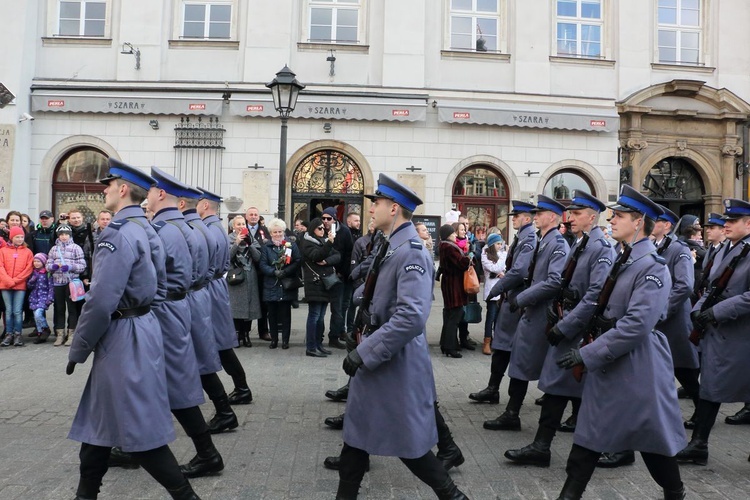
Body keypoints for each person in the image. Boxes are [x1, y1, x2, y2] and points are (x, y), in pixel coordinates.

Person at [67, 158, 200, 499]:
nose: (105, 190)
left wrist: (79, 347)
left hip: (122, 337)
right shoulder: (145, 227)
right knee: (98, 428)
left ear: (122, 189)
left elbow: (100, 301)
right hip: (139, 329)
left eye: (108, 185)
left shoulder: (119, 234)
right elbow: (163, 284)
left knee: (140, 433)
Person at [336, 173, 467, 499]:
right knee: (355, 438)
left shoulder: (410, 251)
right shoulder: (391, 244)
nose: (370, 209)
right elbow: (382, 293)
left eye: (376, 203)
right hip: (379, 355)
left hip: (394, 361)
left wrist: (366, 352)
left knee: (410, 445)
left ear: (393, 208)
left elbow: (411, 317)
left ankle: (453, 495)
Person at [554, 184, 686, 500]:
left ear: (639, 221)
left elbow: (636, 326)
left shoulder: (652, 268)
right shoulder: (624, 258)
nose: (611, 220)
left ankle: (675, 493)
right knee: (588, 438)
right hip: (612, 362)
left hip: (638, 367)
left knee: (654, 443)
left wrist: (588, 354)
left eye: (620, 215)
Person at [504, 190, 614, 467]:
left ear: (592, 217)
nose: (570, 218)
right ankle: (542, 446)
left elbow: (594, 296)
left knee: (585, 389)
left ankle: (616, 445)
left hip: (580, 329)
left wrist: (565, 326)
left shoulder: (601, 249)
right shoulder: (581, 243)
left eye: (576, 214)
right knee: (557, 386)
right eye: (570, 213)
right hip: (568, 324)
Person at [139, 167, 224, 478]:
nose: (145, 198)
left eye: (149, 191)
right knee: (155, 381)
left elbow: (157, 278)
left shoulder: (165, 231)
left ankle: (207, 452)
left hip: (166, 310)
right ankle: (132, 443)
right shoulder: (182, 228)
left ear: (161, 194)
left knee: (173, 383)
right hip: (177, 305)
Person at [676, 198, 750, 466]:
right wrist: (698, 310)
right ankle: (698, 444)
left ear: (749, 223)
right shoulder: (722, 250)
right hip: (717, 332)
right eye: (726, 221)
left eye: (732, 221)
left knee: (726, 386)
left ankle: (698, 444)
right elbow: (709, 286)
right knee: (710, 386)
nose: (726, 225)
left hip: (740, 332)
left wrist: (716, 312)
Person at [492, 195, 569, 430]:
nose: (536, 217)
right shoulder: (544, 240)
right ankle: (511, 413)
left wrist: (522, 298)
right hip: (532, 312)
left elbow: (554, 281)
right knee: (520, 361)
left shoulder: (557, 243)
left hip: (542, 313)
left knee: (532, 362)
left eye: (540, 214)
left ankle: (515, 414)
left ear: (552, 217)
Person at [469, 200, 536, 408]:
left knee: (513, 350)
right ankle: (492, 388)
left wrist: (498, 289)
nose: (513, 219)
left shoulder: (529, 238)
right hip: (512, 298)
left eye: (516, 216)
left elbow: (519, 271)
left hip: (518, 299)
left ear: (526, 218)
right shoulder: (522, 237)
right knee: (501, 346)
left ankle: (510, 404)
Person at [198, 188, 251, 431]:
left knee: (219, 344)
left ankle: (241, 389)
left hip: (211, 287)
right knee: (222, 343)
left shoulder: (209, 229)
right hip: (216, 287)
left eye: (198, 202)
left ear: (205, 205)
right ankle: (241, 388)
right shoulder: (216, 227)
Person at [258, 218, 302, 349]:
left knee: (285, 313)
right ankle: (274, 339)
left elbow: (297, 260)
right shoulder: (266, 247)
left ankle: (285, 340)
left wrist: (286, 271)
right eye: (275, 232)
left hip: (286, 284)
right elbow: (263, 264)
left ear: (284, 232)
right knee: (271, 313)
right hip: (271, 283)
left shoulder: (290, 245)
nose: (277, 234)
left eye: (280, 232)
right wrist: (273, 272)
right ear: (270, 233)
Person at [300, 217, 340, 357]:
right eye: (320, 228)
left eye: (324, 228)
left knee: (321, 316)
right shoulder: (307, 243)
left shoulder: (322, 241)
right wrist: (329, 243)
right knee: (314, 316)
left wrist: (327, 260)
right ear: (313, 229)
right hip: (315, 283)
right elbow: (317, 256)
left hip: (325, 283)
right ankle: (311, 347)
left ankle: (318, 344)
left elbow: (337, 255)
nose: (323, 230)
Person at [46, 224, 86, 347]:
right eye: (61, 234)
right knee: (59, 308)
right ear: (58, 236)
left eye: (66, 234)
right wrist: (51, 267)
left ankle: (71, 333)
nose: (64, 237)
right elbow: (48, 263)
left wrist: (71, 267)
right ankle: (60, 334)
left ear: (70, 235)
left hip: (71, 283)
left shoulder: (76, 248)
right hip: (58, 282)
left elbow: (82, 265)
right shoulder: (53, 249)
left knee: (72, 309)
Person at [322, 206, 354, 350]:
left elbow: (349, 253)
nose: (325, 221)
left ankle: (340, 331)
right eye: (323, 218)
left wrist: (343, 272)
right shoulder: (320, 230)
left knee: (343, 306)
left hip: (343, 275)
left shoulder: (345, 231)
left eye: (328, 218)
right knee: (337, 307)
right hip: (326, 274)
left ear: (335, 218)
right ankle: (333, 336)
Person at [228, 215, 262, 348]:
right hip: (235, 276)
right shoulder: (229, 239)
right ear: (233, 227)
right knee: (236, 307)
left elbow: (258, 258)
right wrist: (236, 243)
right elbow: (227, 257)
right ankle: (237, 334)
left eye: (243, 224)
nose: (241, 227)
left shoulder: (251, 238)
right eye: (238, 224)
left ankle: (246, 334)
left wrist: (249, 244)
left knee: (249, 307)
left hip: (249, 276)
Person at [437, 224, 471, 358]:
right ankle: (450, 347)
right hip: (453, 285)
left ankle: (446, 344)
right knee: (454, 316)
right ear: (448, 234)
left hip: (449, 283)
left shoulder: (444, 245)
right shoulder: (449, 247)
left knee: (450, 314)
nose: (454, 234)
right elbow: (461, 263)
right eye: (452, 233)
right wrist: (468, 257)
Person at [0, 226, 34, 347]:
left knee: (17, 311)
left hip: (20, 285)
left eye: (21, 237)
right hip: (5, 285)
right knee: (8, 311)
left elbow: (28, 269)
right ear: (11, 237)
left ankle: (18, 334)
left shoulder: (27, 252)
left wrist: (16, 280)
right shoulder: (3, 251)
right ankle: (9, 333)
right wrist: (8, 280)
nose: (20, 239)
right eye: (17, 237)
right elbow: (1, 267)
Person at [245, 206, 271, 341]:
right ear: (246, 216)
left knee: (263, 302)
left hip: (261, 272)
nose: (254, 216)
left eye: (256, 214)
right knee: (247, 301)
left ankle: (263, 331)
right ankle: (245, 331)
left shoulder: (264, 231)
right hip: (247, 272)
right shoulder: (243, 230)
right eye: (251, 214)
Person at [480, 233, 506, 356]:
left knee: (499, 318)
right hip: (491, 291)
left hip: (501, 290)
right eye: (497, 244)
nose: (500, 246)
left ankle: (496, 341)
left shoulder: (501, 254)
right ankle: (487, 341)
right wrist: (500, 270)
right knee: (491, 317)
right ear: (491, 244)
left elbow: (504, 268)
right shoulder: (485, 254)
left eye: (501, 244)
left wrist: (500, 271)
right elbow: (495, 268)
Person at [27, 253, 54, 344]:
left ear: (43, 262)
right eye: (35, 261)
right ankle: (40, 333)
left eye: (38, 261)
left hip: (43, 297)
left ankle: (46, 328)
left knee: (38, 314)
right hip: (34, 297)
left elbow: (51, 286)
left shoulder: (47, 273)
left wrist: (50, 298)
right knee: (36, 316)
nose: (36, 263)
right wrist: (31, 281)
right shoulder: (33, 272)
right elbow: (29, 286)